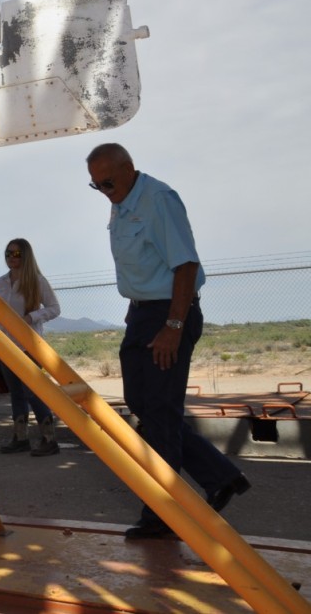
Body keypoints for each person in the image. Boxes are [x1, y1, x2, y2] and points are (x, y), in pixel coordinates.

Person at [86, 143, 250, 540]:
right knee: (145, 404)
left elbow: (185, 264)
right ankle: (219, 476)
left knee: (159, 411)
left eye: (108, 182)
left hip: (168, 313)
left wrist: (173, 326)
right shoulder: (121, 201)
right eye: (96, 186)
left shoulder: (159, 199)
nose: (105, 191)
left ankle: (163, 513)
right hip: (142, 313)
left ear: (129, 169)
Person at [0, 238, 62, 456]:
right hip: (5, 345)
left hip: (29, 346)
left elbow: (54, 308)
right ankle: (21, 438)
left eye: (17, 254)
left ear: (26, 256)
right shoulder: (1, 282)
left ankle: (49, 439)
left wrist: (32, 317)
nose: (11, 258)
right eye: (8, 253)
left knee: (32, 392)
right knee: (16, 393)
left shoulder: (37, 281)